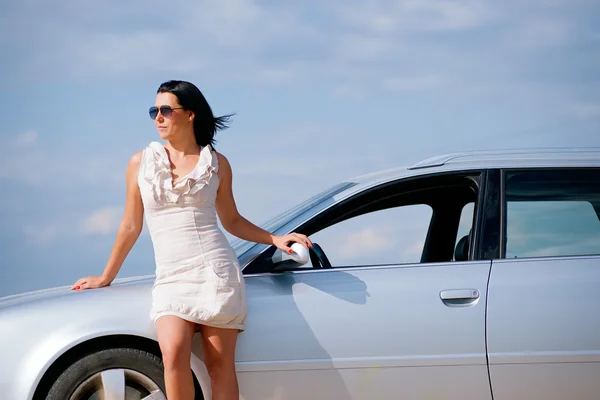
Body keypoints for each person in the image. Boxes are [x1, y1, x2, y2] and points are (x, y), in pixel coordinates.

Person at [71, 80, 313, 400]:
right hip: (171, 276)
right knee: (172, 355)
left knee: (218, 364)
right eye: (154, 110)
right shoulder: (140, 163)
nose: (158, 117)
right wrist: (106, 276)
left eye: (166, 110)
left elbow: (232, 220)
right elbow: (131, 225)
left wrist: (275, 238)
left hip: (216, 273)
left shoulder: (217, 163)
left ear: (190, 115)